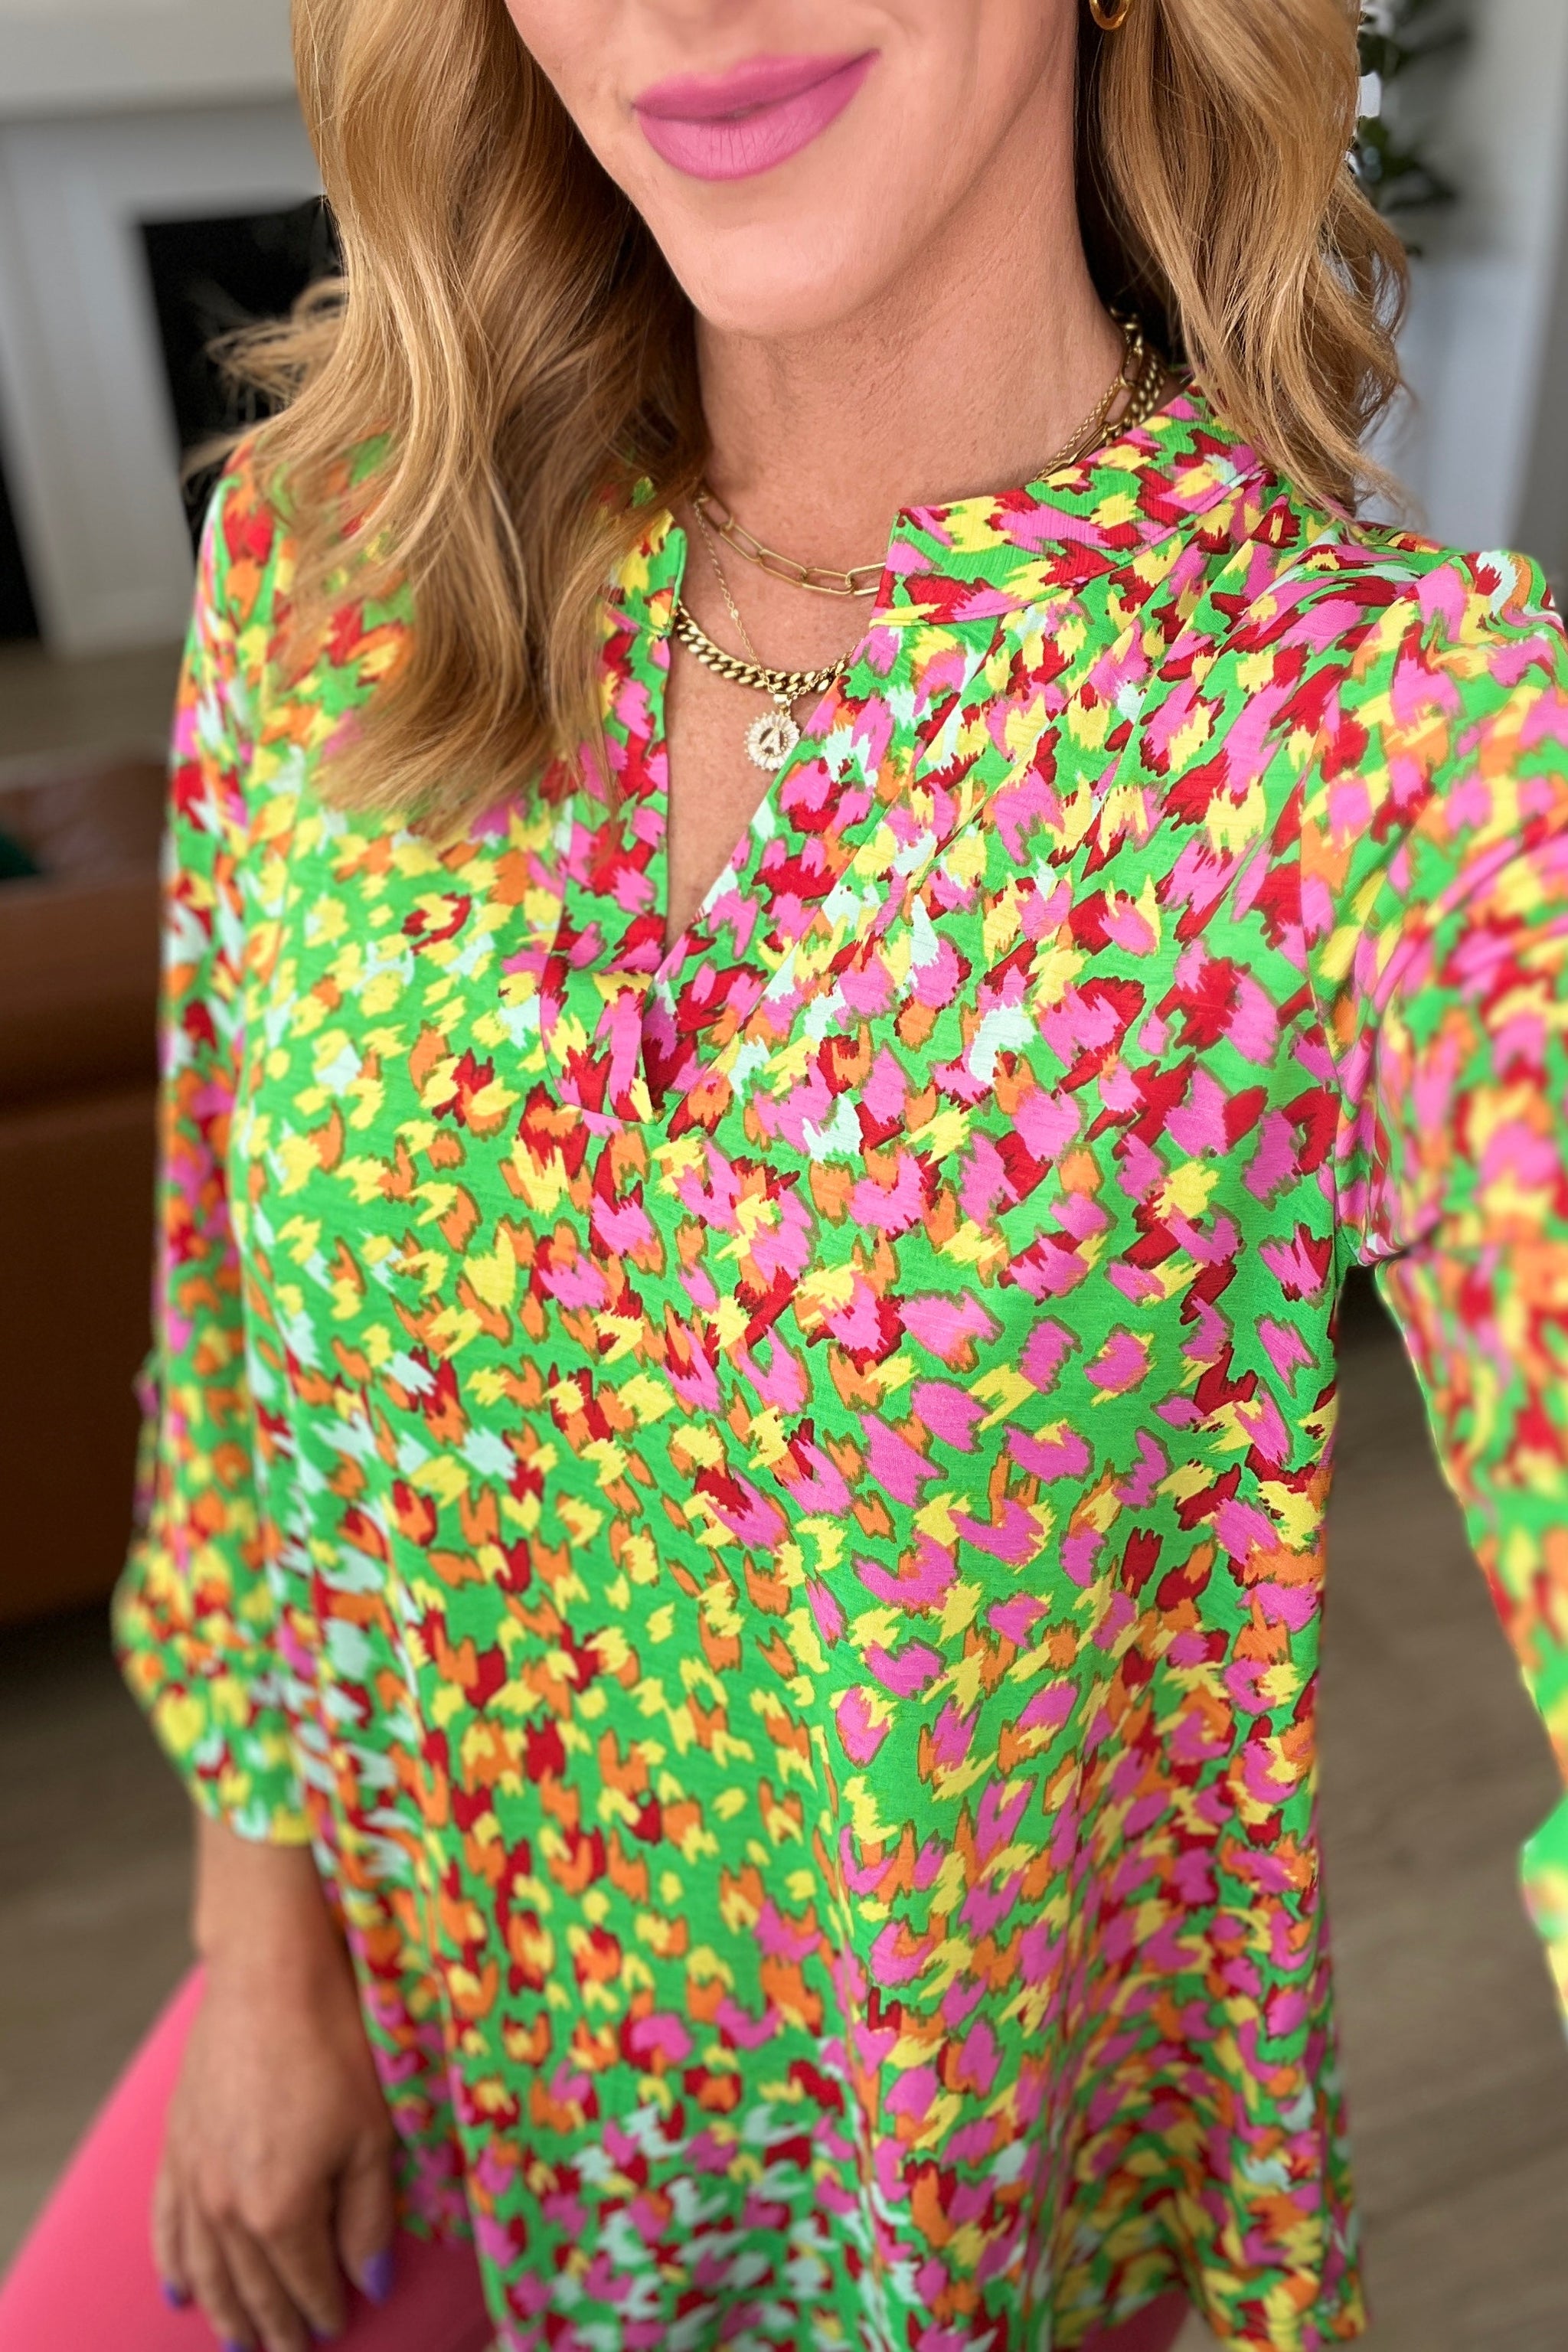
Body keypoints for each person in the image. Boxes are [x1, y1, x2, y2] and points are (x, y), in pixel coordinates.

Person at [4, 0, 1568, 2346]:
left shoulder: (1379, 759)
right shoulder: (332, 563)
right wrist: (258, 1952)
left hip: (950, 2247)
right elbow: (232, 1351)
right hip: (409, 2067)